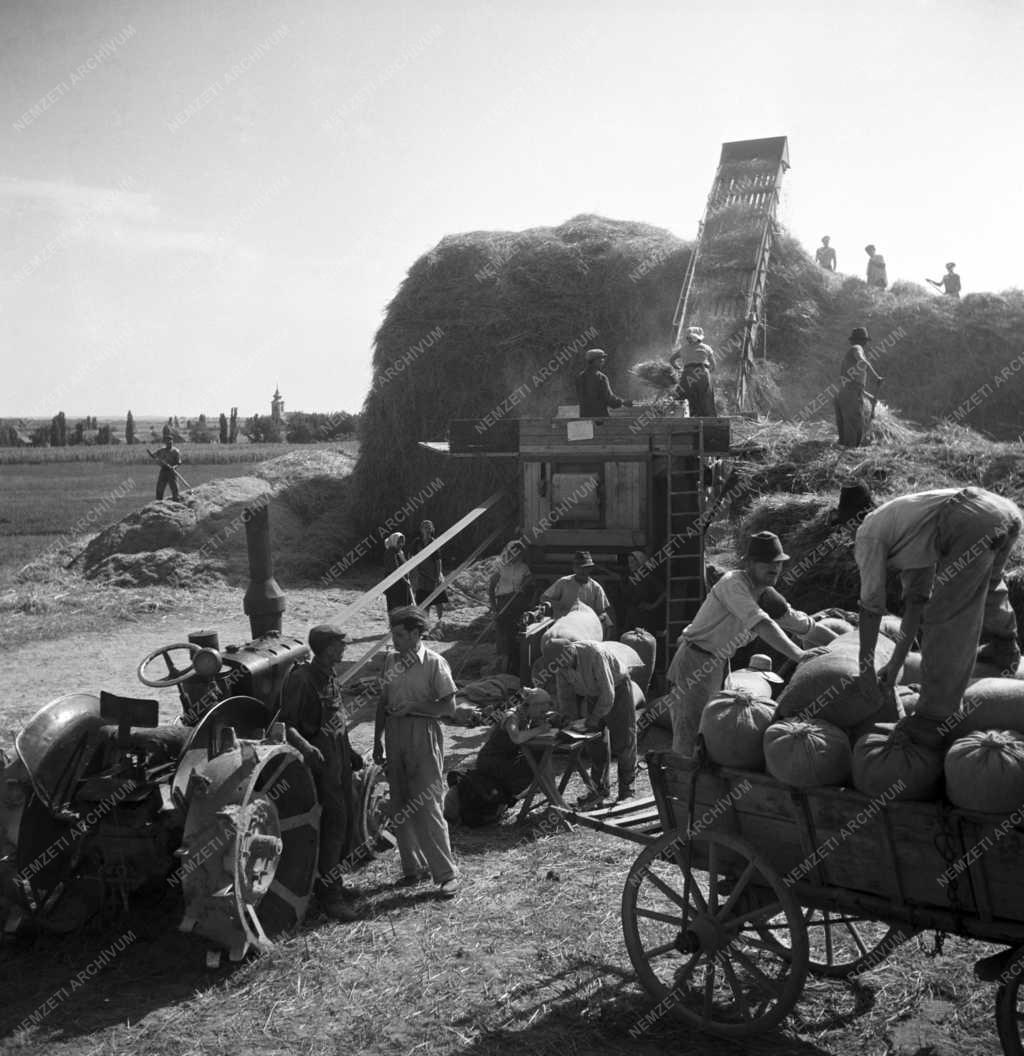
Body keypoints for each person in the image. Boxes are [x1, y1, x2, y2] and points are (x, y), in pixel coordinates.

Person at [853, 487, 1023, 748]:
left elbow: (871, 608)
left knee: (947, 615)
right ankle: (1004, 646)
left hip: (967, 518)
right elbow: (915, 605)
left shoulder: (867, 538)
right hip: (1001, 511)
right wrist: (896, 662)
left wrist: (865, 670)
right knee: (989, 586)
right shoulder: (909, 538)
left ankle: (933, 716)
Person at [666, 531, 819, 760]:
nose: (774, 567)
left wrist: (835, 632)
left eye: (778, 562)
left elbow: (797, 622)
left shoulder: (766, 594)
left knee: (711, 730)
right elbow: (761, 623)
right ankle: (680, 787)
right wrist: (798, 654)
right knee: (689, 733)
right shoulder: (733, 584)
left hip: (717, 662)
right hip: (695, 661)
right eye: (767, 562)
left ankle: (700, 786)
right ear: (749, 564)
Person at [373, 606, 460, 898]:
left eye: (399, 634)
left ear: (415, 634)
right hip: (395, 736)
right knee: (400, 804)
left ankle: (447, 874)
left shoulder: (435, 663)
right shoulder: (389, 662)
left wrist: (415, 708)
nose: (394, 640)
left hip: (423, 734)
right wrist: (377, 741)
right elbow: (382, 702)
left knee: (427, 803)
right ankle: (413, 869)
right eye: (393, 634)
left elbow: (449, 708)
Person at [279, 625, 363, 921]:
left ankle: (333, 881)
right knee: (333, 824)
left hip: (339, 758)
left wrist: (350, 751)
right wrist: (308, 749)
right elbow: (285, 726)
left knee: (347, 819)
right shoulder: (302, 680)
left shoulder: (329, 674)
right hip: (321, 764)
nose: (344, 650)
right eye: (340, 645)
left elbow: (337, 718)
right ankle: (329, 897)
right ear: (327, 648)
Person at [443, 687, 558, 826]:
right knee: (538, 761)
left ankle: (555, 799)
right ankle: (555, 800)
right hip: (492, 763)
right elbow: (516, 737)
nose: (542, 714)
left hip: (506, 759)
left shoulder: (526, 716)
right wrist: (540, 729)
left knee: (541, 757)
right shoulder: (512, 716)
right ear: (531, 705)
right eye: (541, 711)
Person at [548, 640, 641, 806]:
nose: (562, 667)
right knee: (595, 742)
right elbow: (565, 695)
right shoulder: (559, 664)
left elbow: (608, 693)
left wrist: (594, 718)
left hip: (617, 688)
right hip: (592, 693)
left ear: (571, 651)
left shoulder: (594, 654)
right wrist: (570, 720)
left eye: (563, 662)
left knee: (624, 741)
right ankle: (598, 790)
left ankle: (627, 791)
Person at [488, 541, 534, 676]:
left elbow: (530, 579)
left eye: (519, 553)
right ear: (509, 553)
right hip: (504, 602)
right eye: (514, 553)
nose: (516, 556)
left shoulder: (524, 567)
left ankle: (516, 667)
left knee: (517, 634)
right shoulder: (501, 568)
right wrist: (494, 607)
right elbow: (491, 588)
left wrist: (525, 584)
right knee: (505, 635)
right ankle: (505, 666)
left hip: (518, 603)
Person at [834, 326, 883, 448]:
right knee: (855, 423)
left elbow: (854, 384)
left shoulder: (851, 355)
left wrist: (869, 397)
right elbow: (862, 360)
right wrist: (877, 376)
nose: (866, 343)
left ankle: (845, 452)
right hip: (849, 395)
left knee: (847, 427)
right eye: (865, 340)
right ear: (861, 341)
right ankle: (850, 454)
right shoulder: (857, 348)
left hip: (845, 393)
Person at [540, 551, 613, 632]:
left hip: (585, 628)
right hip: (563, 625)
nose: (582, 571)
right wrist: (558, 605)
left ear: (590, 569)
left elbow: (601, 612)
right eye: (579, 568)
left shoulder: (596, 587)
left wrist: (597, 622)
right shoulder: (564, 582)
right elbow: (543, 598)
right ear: (574, 568)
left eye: (585, 568)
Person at [670, 326, 718, 417]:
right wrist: (707, 373)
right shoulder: (706, 348)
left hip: (687, 373)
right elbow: (714, 365)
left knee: (685, 396)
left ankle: (686, 417)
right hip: (702, 372)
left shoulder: (683, 349)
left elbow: (672, 360)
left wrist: (678, 368)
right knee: (706, 397)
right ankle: (708, 420)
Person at [410, 520, 447, 636]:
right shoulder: (417, 542)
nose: (426, 529)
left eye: (429, 527)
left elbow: (438, 561)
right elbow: (411, 556)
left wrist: (437, 576)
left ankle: (440, 621)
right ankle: (425, 624)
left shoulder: (433, 542)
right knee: (423, 600)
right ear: (421, 529)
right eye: (424, 527)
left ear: (432, 529)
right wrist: (413, 571)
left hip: (434, 575)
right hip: (422, 576)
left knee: (438, 600)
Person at [575, 348, 631, 418]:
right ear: (595, 361)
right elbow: (609, 400)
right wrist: (623, 402)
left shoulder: (580, 377)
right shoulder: (600, 377)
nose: (603, 362)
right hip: (600, 419)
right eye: (601, 360)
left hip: (584, 417)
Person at [622, 549, 666, 637]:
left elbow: (664, 593)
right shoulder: (631, 579)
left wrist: (652, 606)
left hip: (645, 618)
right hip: (632, 617)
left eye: (633, 562)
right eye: (629, 562)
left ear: (640, 562)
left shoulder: (649, 578)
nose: (630, 565)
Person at [383, 532, 415, 613]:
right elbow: (395, 570)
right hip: (394, 586)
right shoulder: (390, 552)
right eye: (399, 542)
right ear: (394, 541)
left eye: (402, 542)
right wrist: (405, 581)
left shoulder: (400, 552)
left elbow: (404, 566)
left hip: (402, 585)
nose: (401, 544)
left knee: (403, 608)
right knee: (395, 608)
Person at [154, 436, 182, 501]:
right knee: (160, 487)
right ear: (165, 443)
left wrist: (174, 467)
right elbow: (154, 455)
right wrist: (155, 457)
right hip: (163, 470)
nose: (169, 443)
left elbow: (179, 462)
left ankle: (176, 499)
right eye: (167, 442)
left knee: (174, 487)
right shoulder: (161, 450)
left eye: (170, 442)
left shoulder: (176, 451)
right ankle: (159, 501)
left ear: (172, 442)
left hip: (172, 471)